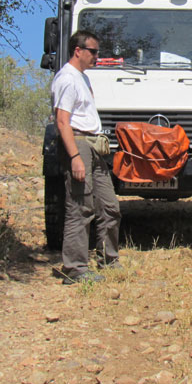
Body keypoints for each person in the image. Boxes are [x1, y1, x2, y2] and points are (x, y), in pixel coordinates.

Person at [51, 30, 121, 284]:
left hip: (93, 145)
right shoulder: (67, 79)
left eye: (98, 51)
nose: (97, 56)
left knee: (109, 206)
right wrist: (75, 158)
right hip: (78, 144)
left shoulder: (82, 78)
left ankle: (109, 261)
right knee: (80, 207)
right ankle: (75, 269)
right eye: (93, 51)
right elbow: (62, 120)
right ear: (77, 51)